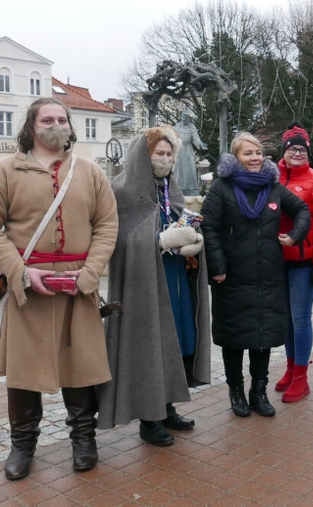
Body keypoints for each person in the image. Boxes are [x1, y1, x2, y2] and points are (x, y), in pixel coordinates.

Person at [0, 97, 118, 480]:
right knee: (24, 373)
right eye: (47, 118)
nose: (57, 124)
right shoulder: (4, 171)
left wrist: (91, 273)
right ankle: (23, 445)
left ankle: (84, 439)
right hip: (27, 288)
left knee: (81, 367)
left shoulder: (90, 171)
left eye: (62, 118)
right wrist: (20, 272)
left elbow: (106, 226)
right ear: (32, 127)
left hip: (77, 286)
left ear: (70, 126)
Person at [97, 126, 210, 447]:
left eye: (169, 153)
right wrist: (158, 240)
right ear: (143, 155)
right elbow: (114, 241)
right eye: (158, 153)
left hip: (172, 281)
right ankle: (150, 419)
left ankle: (167, 406)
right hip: (141, 287)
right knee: (149, 347)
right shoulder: (121, 191)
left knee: (174, 342)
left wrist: (191, 243)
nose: (165, 159)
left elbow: (178, 220)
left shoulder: (170, 187)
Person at [201, 133, 310, 417]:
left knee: (263, 335)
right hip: (232, 277)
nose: (255, 158)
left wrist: (294, 236)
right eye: (248, 153)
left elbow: (302, 210)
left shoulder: (273, 188)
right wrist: (218, 267)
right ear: (235, 158)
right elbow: (209, 228)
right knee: (234, 338)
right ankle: (236, 392)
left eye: (258, 152)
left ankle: (258, 392)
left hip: (268, 275)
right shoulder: (221, 189)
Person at [274, 123, 313, 403]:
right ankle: (289, 368)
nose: (297, 153)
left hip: (303, 261)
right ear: (283, 151)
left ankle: (301, 377)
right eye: (292, 148)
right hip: (276, 260)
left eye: (302, 149)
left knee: (300, 320)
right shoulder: (270, 176)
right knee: (285, 320)